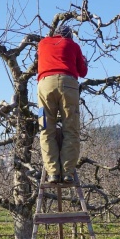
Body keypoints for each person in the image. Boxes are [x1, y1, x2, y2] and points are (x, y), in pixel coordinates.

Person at [37, 25, 88, 184]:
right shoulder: (73, 46)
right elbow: (83, 71)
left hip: (45, 86)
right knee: (71, 128)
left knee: (45, 128)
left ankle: (52, 172)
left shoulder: (42, 43)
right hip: (69, 84)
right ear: (69, 37)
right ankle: (67, 173)